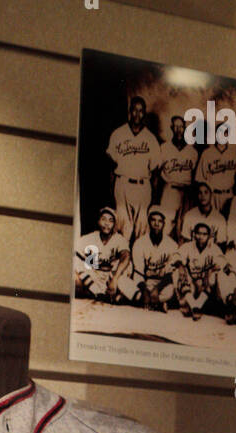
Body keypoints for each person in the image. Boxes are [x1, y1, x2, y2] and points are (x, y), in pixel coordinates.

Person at [105, 94, 159, 243]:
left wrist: (153, 196)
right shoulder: (118, 133)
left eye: (141, 111)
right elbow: (111, 165)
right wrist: (112, 189)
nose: (137, 114)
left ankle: (137, 264)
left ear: (144, 113)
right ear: (130, 111)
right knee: (122, 226)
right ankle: (122, 261)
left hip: (143, 186)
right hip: (122, 183)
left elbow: (154, 172)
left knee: (142, 228)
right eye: (134, 110)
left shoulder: (151, 138)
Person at [73, 206, 134, 301]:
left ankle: (102, 294)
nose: (107, 224)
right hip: (93, 277)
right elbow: (74, 254)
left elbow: (126, 256)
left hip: (110, 277)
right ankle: (98, 293)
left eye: (111, 221)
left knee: (127, 263)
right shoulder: (90, 238)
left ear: (114, 224)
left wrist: (115, 279)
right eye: (103, 219)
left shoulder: (118, 238)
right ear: (98, 221)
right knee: (76, 265)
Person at [155, 113, 196, 239]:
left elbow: (195, 176)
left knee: (184, 226)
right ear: (171, 128)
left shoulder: (192, 151)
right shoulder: (164, 147)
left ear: (185, 129)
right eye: (176, 127)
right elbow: (157, 171)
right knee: (166, 225)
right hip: (170, 189)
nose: (179, 130)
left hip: (186, 191)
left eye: (181, 127)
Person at [130, 204, 179, 310]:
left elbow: (171, 274)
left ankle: (144, 301)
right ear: (149, 222)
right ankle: (158, 303)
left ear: (164, 223)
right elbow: (138, 273)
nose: (156, 224)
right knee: (124, 282)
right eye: (153, 220)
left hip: (162, 284)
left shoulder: (172, 244)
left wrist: (157, 288)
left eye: (160, 221)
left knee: (171, 290)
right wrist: (145, 290)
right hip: (145, 282)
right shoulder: (139, 243)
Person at [175, 220, 220, 320]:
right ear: (194, 234)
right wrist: (181, 266)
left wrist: (210, 270)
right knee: (177, 272)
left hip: (204, 284)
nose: (201, 237)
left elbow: (220, 264)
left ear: (209, 236)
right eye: (198, 233)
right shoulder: (188, 246)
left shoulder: (214, 248)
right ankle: (195, 306)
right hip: (191, 283)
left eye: (204, 234)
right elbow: (176, 258)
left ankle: (195, 305)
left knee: (214, 276)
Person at [194, 136, 236, 219]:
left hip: (229, 195)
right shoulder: (207, 153)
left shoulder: (233, 154)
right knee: (212, 220)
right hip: (212, 195)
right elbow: (199, 178)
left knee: (228, 221)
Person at [179, 180, 227, 248]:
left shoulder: (220, 218)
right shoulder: (189, 215)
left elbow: (220, 245)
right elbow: (185, 241)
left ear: (211, 194)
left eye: (206, 192)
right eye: (200, 193)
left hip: (211, 255)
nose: (203, 195)